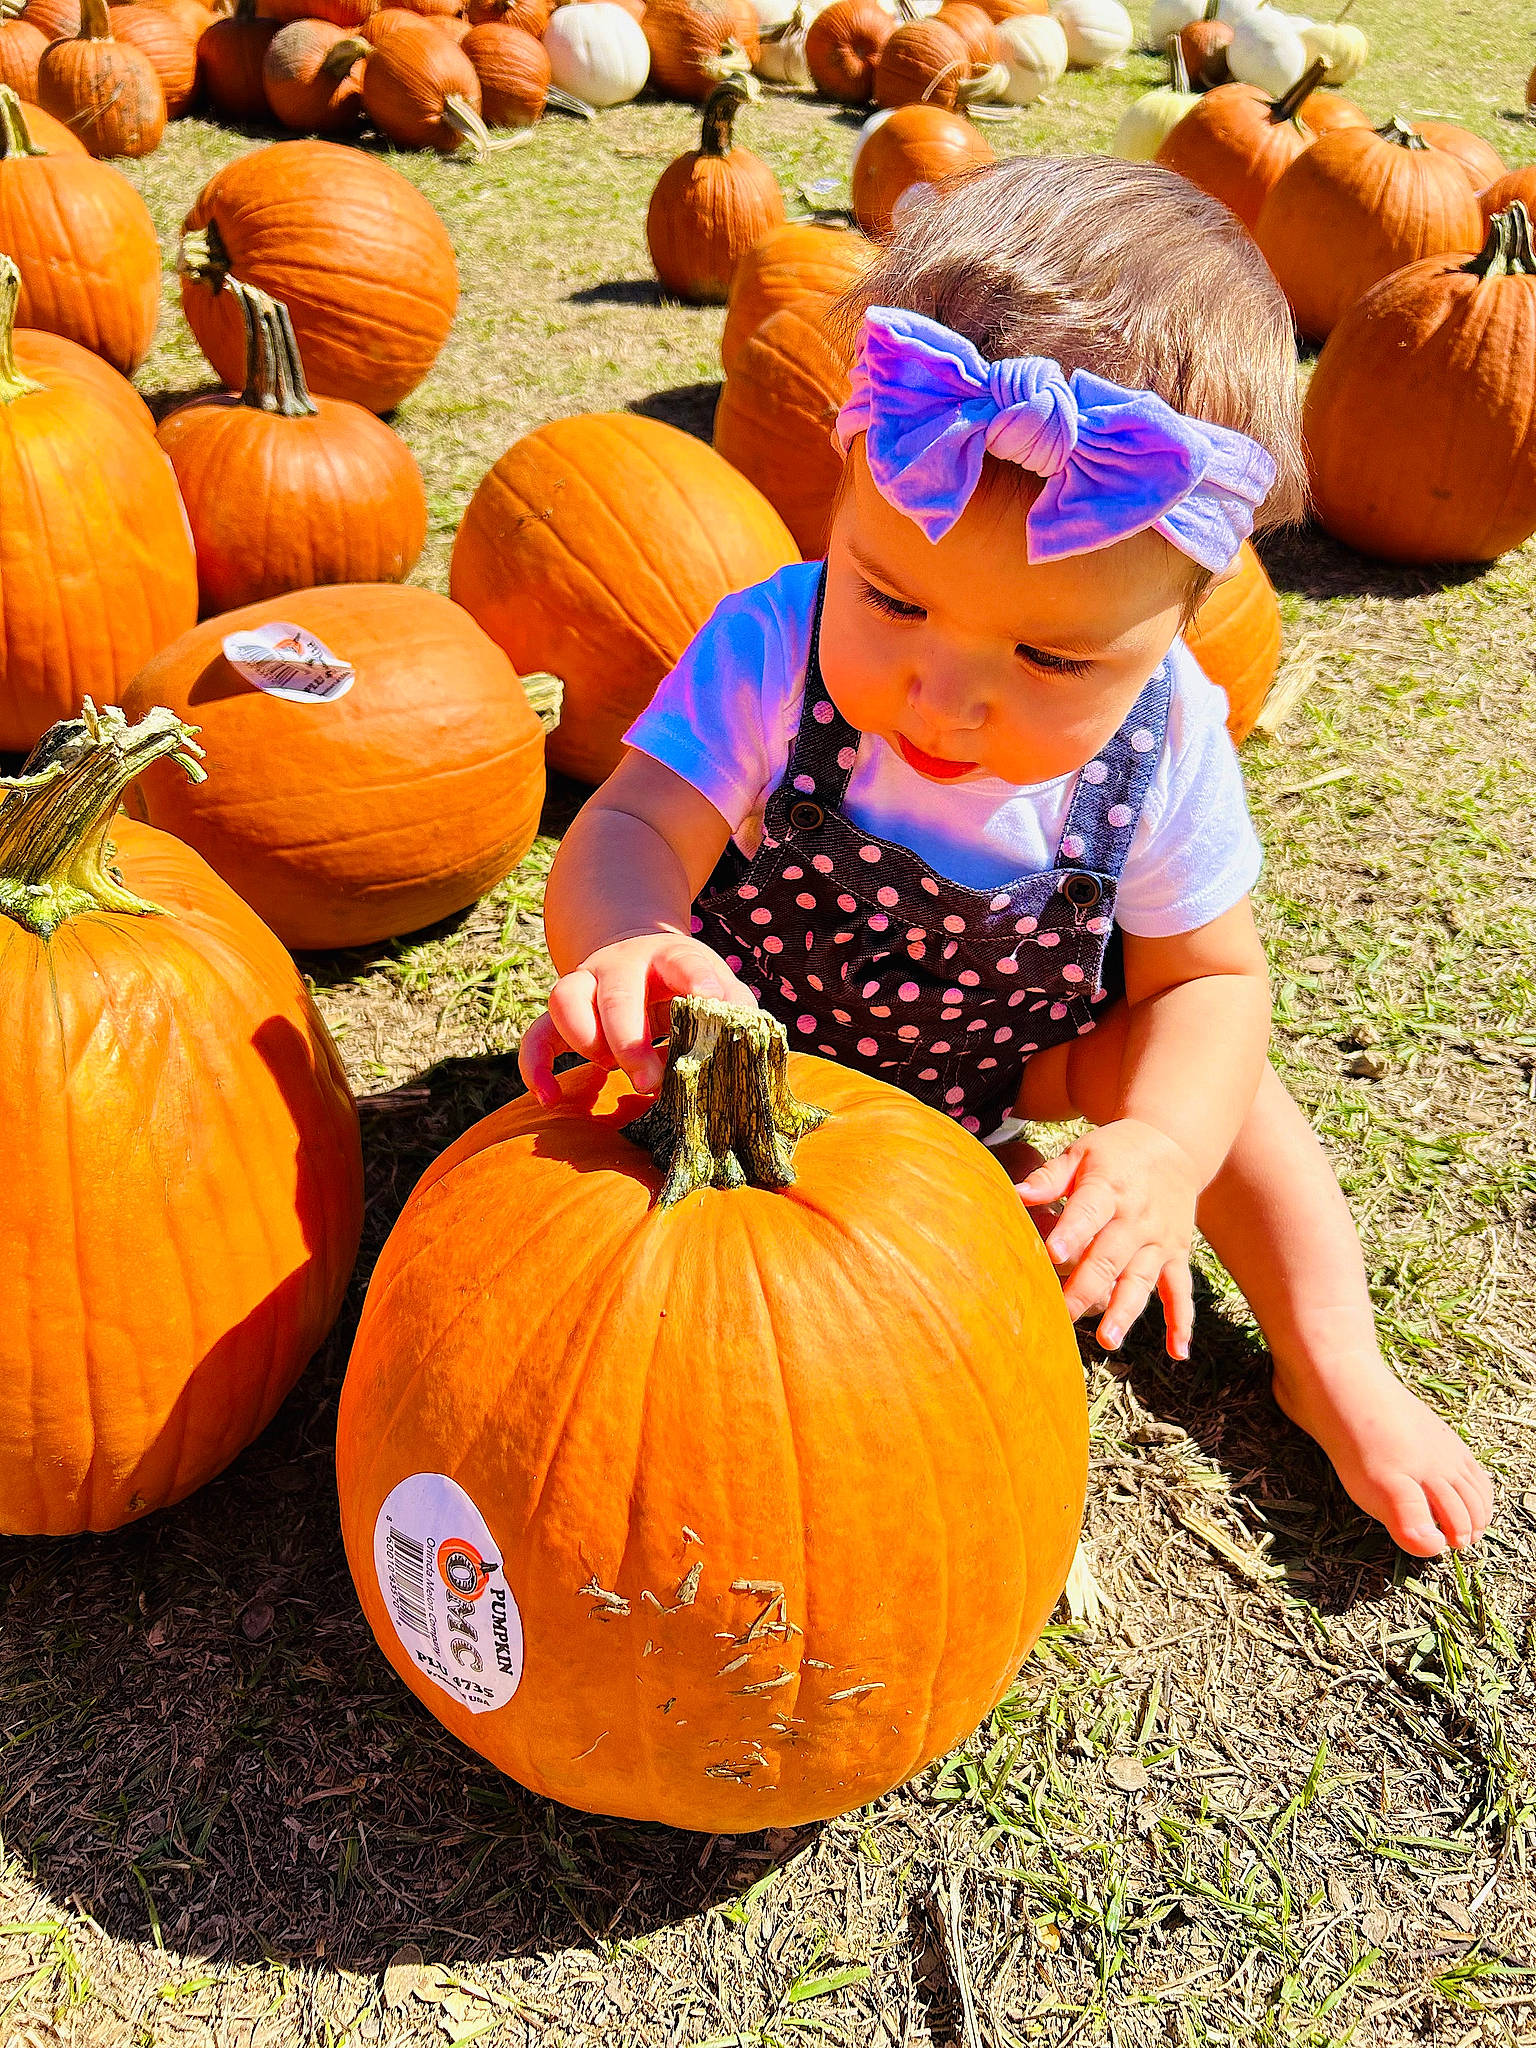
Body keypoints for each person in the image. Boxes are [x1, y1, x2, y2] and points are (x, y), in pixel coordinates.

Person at [519, 156, 1493, 1561]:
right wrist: (634, 942)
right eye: (892, 598)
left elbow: (1207, 981)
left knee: (1231, 1096)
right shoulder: (769, 645)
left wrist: (1161, 1145)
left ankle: (1332, 1355)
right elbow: (627, 828)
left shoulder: (1169, 741)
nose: (946, 697)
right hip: (743, 1045)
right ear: (842, 498)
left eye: (1051, 658)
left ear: (1181, 620)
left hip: (1013, 1066)